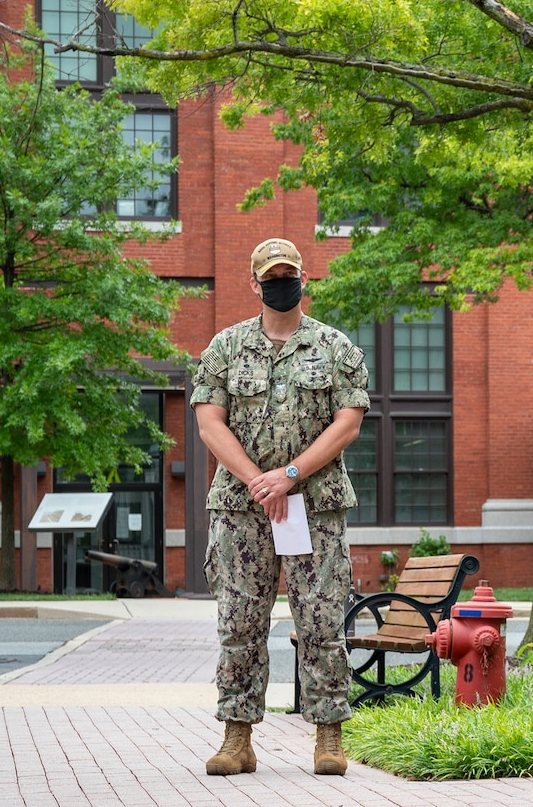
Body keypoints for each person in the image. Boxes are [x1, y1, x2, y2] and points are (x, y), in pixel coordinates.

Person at [192, 237, 370, 777]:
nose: (281, 282)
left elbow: (349, 421)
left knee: (320, 619)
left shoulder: (337, 347)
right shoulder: (224, 348)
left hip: (314, 507)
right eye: (271, 276)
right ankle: (237, 739)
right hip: (242, 511)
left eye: (289, 273)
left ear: (304, 279)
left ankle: (329, 738)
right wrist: (258, 482)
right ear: (255, 283)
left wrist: (290, 475)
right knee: (240, 620)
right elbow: (208, 421)